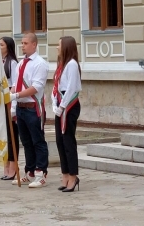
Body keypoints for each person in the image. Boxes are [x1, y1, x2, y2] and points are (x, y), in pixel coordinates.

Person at [11, 31, 49, 188]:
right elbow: (15, 84)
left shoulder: (40, 63)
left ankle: (41, 173)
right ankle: (30, 171)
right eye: (22, 43)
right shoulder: (20, 64)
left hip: (33, 107)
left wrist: (17, 94)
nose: (22, 46)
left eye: (25, 43)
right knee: (26, 142)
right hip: (20, 107)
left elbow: (36, 87)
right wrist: (11, 95)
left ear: (34, 44)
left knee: (37, 141)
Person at [53, 36, 82, 193]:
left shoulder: (71, 65)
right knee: (59, 141)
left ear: (66, 47)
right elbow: (56, 86)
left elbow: (71, 88)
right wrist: (54, 104)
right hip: (60, 104)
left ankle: (73, 176)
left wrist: (63, 106)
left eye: (59, 45)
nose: (57, 48)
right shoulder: (62, 65)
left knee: (68, 141)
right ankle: (64, 175)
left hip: (69, 105)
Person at [0, 36, 19, 181]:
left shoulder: (12, 63)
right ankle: (5, 165)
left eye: (1, 45)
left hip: (9, 102)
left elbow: (14, 85)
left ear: (8, 47)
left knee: (12, 136)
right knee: (3, 135)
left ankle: (13, 166)